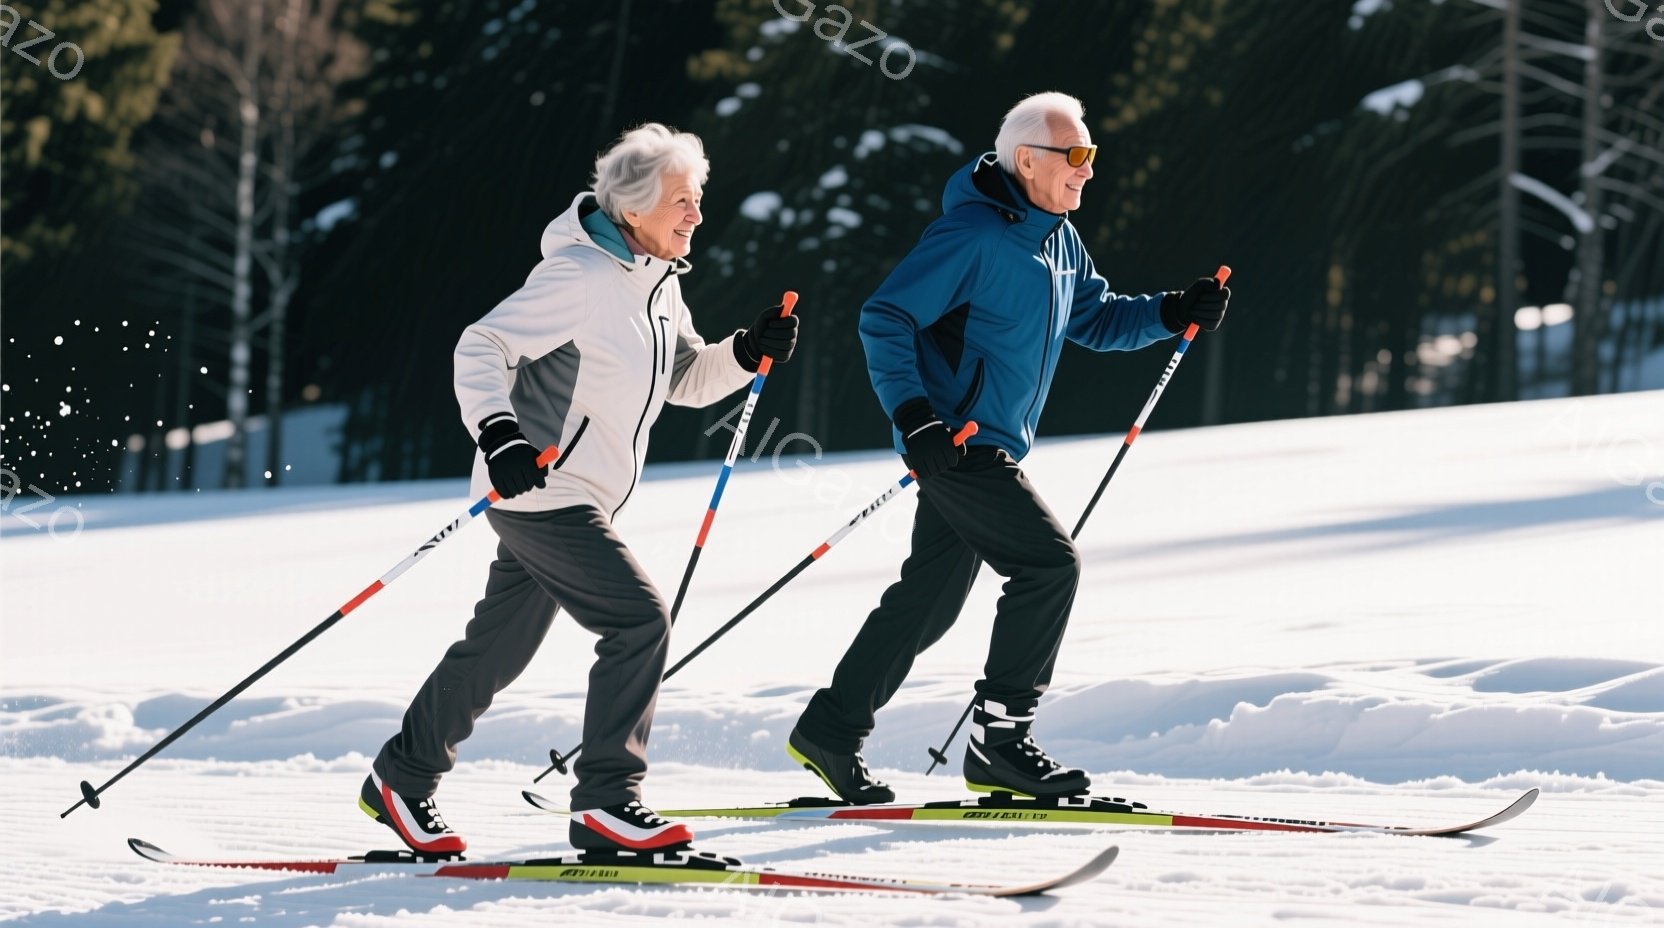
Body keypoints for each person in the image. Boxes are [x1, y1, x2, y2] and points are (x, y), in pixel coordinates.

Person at [360, 123, 799, 855]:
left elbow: (685, 378)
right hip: (542, 490)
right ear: (633, 208)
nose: (696, 215)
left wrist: (745, 351)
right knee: (639, 621)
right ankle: (607, 801)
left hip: (580, 496)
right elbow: (481, 345)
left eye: (697, 199)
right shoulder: (580, 276)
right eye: (681, 201)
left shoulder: (658, 283)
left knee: (498, 646)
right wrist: (500, 436)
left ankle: (401, 778)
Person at [786, 92, 1230, 803]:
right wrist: (916, 419)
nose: (1088, 170)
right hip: (957, 444)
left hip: (987, 445)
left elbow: (1096, 317)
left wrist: (1172, 311)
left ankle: (830, 730)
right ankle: (1001, 742)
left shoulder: (1058, 240)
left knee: (929, 600)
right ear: (1027, 159)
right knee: (1049, 565)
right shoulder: (971, 236)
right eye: (1075, 155)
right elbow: (885, 317)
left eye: (1091, 155)